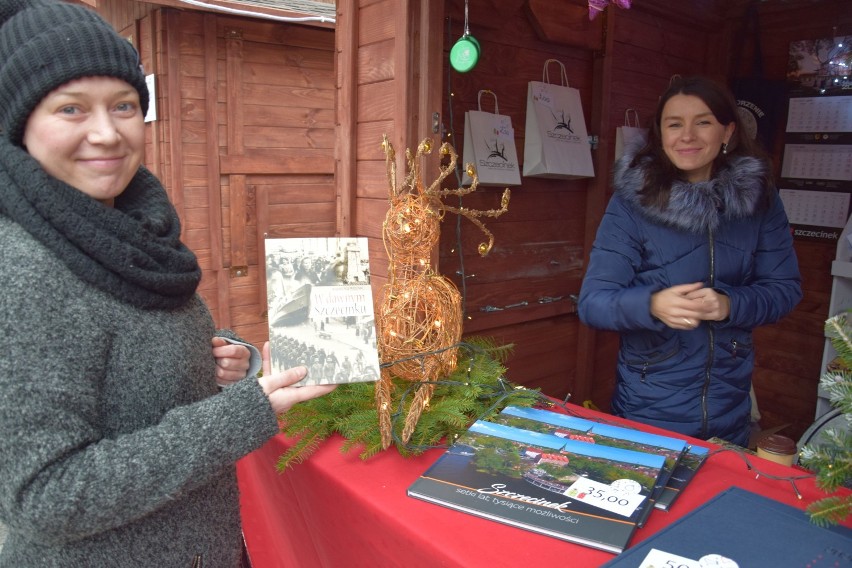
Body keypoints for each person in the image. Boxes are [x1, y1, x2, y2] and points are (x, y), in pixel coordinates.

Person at [0, 1, 335, 566]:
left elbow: (121, 367)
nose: (105, 133)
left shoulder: (128, 232)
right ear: (20, 124)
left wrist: (227, 361)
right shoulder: (23, 271)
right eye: (72, 108)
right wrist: (242, 413)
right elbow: (47, 498)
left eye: (124, 105)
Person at [577, 75, 802, 448]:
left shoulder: (760, 203)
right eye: (675, 124)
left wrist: (729, 304)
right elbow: (593, 302)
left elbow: (785, 290)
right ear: (660, 134)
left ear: (727, 131)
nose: (687, 136)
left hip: (730, 405)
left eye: (703, 122)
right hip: (648, 407)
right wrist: (652, 305)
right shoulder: (633, 204)